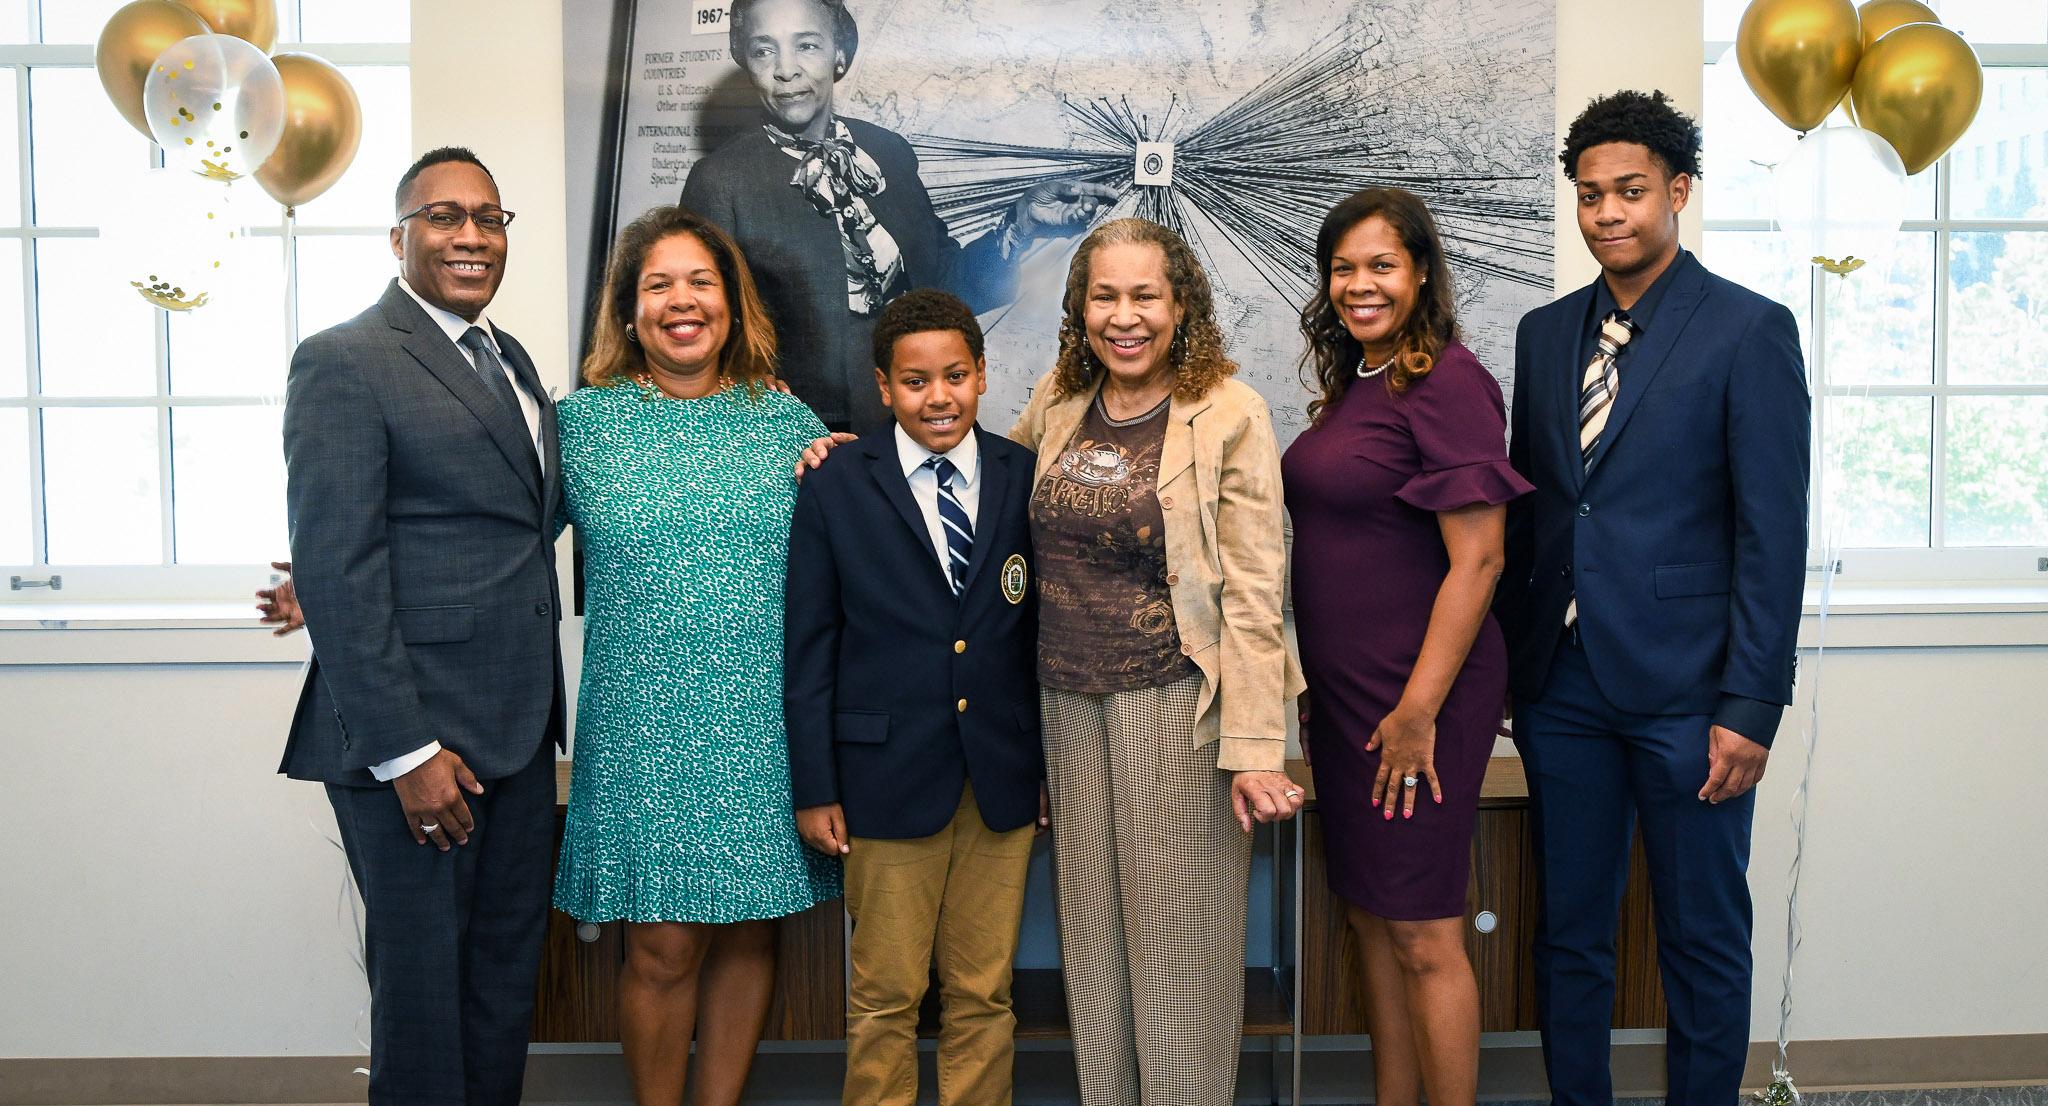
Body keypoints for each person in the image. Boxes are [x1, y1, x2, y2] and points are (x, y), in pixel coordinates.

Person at [1497, 90, 1809, 1106]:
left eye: (1628, 192)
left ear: (1677, 191)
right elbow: (1534, 514)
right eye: (1589, 195)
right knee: (1568, 933)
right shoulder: (1545, 335)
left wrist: (1750, 705)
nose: (1606, 214)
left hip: (1692, 697)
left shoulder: (1749, 330)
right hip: (1562, 690)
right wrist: (1512, 666)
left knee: (1701, 936)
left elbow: (1771, 536)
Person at [279, 146, 564, 1105]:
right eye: (443, 216)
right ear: (397, 237)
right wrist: (406, 754)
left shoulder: (509, 359)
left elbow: (517, 520)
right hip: (416, 744)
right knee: (423, 1001)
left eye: (489, 217)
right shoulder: (344, 360)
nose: (470, 235)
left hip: (517, 733)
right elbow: (338, 567)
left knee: (501, 985)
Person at [1010, 217, 1305, 1106]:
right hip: (1066, 706)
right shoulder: (1058, 400)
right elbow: (986, 498)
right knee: (1093, 958)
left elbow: (1255, 593)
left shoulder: (1231, 413)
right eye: (1104, 296)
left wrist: (1255, 749)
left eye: (1145, 295)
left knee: (1179, 961)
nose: (1124, 316)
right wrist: (859, 459)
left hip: (1175, 706)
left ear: (1182, 306)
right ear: (1080, 307)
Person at [552, 204, 840, 1106]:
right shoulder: (581, 428)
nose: (682, 301)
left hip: (760, 726)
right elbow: (490, 536)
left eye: (701, 282)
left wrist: (848, 468)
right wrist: (333, 578)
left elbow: (855, 546)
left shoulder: (785, 422)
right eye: (659, 285)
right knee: (662, 945)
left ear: (731, 302)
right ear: (628, 310)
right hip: (643, 731)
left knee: (752, 931)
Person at [1282, 187, 1532, 1106]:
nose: (1361, 285)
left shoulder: (1449, 380)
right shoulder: (1364, 378)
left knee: (1424, 931)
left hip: (1417, 700)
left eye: (1381, 265)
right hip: (1350, 702)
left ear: (1422, 272)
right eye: (1343, 268)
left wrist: (1419, 711)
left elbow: (1481, 559)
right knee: (1371, 918)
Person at [782, 287, 1047, 1106]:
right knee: (886, 996)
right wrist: (816, 786)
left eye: (956, 376)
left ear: (982, 375)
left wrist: (1042, 765)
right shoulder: (836, 482)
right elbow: (810, 645)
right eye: (916, 380)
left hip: (999, 779)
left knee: (984, 993)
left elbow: (1036, 635)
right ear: (884, 386)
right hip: (884, 780)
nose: (939, 397)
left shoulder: (1021, 474)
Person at [683, 0, 1116, 435]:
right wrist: (745, 383)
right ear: (746, 63)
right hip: (797, 435)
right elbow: (700, 329)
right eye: (764, 50)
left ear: (839, 53)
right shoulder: (721, 180)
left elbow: (942, 287)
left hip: (911, 421)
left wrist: (1021, 224)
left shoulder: (887, 151)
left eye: (807, 45)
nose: (786, 69)